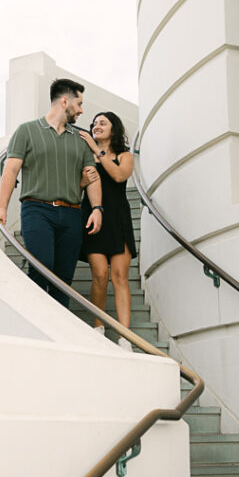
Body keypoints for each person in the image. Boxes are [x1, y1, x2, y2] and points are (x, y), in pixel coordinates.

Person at [0, 78, 103, 306]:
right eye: (79, 104)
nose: (81, 110)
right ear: (64, 101)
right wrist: (1, 207)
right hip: (37, 211)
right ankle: (34, 323)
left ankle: (57, 337)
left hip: (72, 214)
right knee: (41, 269)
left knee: (63, 281)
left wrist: (97, 208)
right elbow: (11, 170)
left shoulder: (80, 139)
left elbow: (92, 177)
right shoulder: (27, 131)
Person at [77, 112, 136, 350]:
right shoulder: (84, 155)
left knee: (120, 277)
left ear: (114, 129)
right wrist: (82, 180)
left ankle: (125, 337)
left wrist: (97, 150)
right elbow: (78, 186)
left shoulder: (124, 156)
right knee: (100, 275)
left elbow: (119, 176)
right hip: (93, 216)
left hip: (118, 219)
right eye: (94, 123)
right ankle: (98, 328)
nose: (96, 126)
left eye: (103, 123)